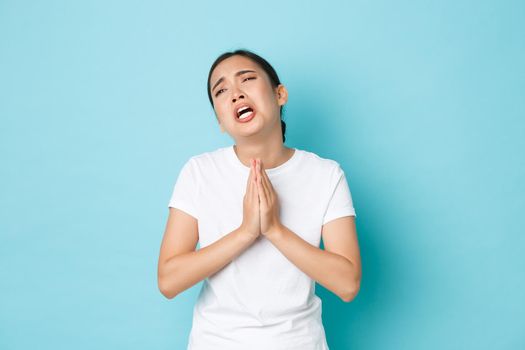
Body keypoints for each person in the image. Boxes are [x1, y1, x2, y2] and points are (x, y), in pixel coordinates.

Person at [157, 49, 362, 350]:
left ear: (280, 94)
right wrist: (246, 232)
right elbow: (169, 280)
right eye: (222, 90)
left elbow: (347, 284)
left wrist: (274, 230)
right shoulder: (199, 172)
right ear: (220, 122)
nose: (236, 94)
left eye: (247, 79)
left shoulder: (326, 175)